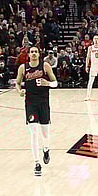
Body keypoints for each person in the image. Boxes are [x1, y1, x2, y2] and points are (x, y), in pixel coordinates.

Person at [15, 47, 57, 176]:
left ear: (39, 54)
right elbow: (17, 83)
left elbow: (55, 83)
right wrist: (19, 91)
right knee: (33, 133)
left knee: (45, 133)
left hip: (44, 102)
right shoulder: (23, 68)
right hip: (30, 103)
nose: (33, 53)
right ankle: (37, 163)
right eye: (31, 52)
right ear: (28, 54)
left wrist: (47, 83)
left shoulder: (45, 66)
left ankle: (46, 149)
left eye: (35, 52)